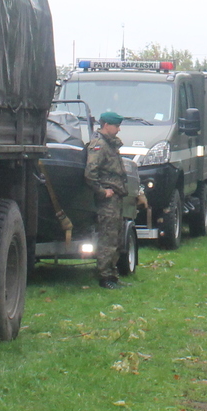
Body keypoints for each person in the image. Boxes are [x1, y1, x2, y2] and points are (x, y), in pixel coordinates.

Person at [83, 109, 134, 289]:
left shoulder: (110, 144)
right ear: (106, 125)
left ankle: (113, 275)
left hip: (115, 198)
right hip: (107, 201)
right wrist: (102, 191)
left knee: (116, 238)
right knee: (107, 239)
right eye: (116, 125)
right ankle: (105, 278)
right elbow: (90, 173)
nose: (119, 129)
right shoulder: (99, 145)